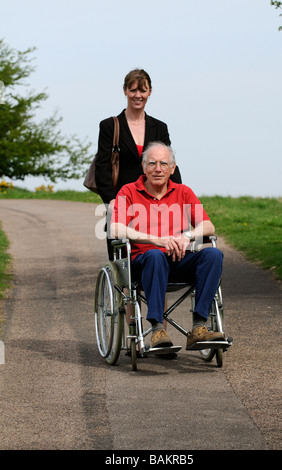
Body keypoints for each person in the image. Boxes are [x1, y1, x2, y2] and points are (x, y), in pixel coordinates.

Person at [111, 141, 225, 350]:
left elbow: (208, 226)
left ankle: (199, 327)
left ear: (172, 169)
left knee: (213, 255)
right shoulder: (128, 192)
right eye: (152, 163)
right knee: (155, 255)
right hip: (143, 263)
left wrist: (187, 236)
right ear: (143, 167)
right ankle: (157, 330)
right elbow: (116, 229)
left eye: (164, 164)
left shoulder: (183, 192)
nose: (158, 169)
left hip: (179, 260)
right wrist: (155, 239)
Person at [94, 68, 182, 260]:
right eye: (133, 90)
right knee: (124, 262)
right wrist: (111, 202)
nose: (138, 95)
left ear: (150, 92)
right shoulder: (110, 126)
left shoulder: (159, 127)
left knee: (160, 255)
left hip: (154, 200)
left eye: (142, 91)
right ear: (125, 91)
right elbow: (102, 167)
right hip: (123, 202)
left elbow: (169, 163)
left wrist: (178, 195)